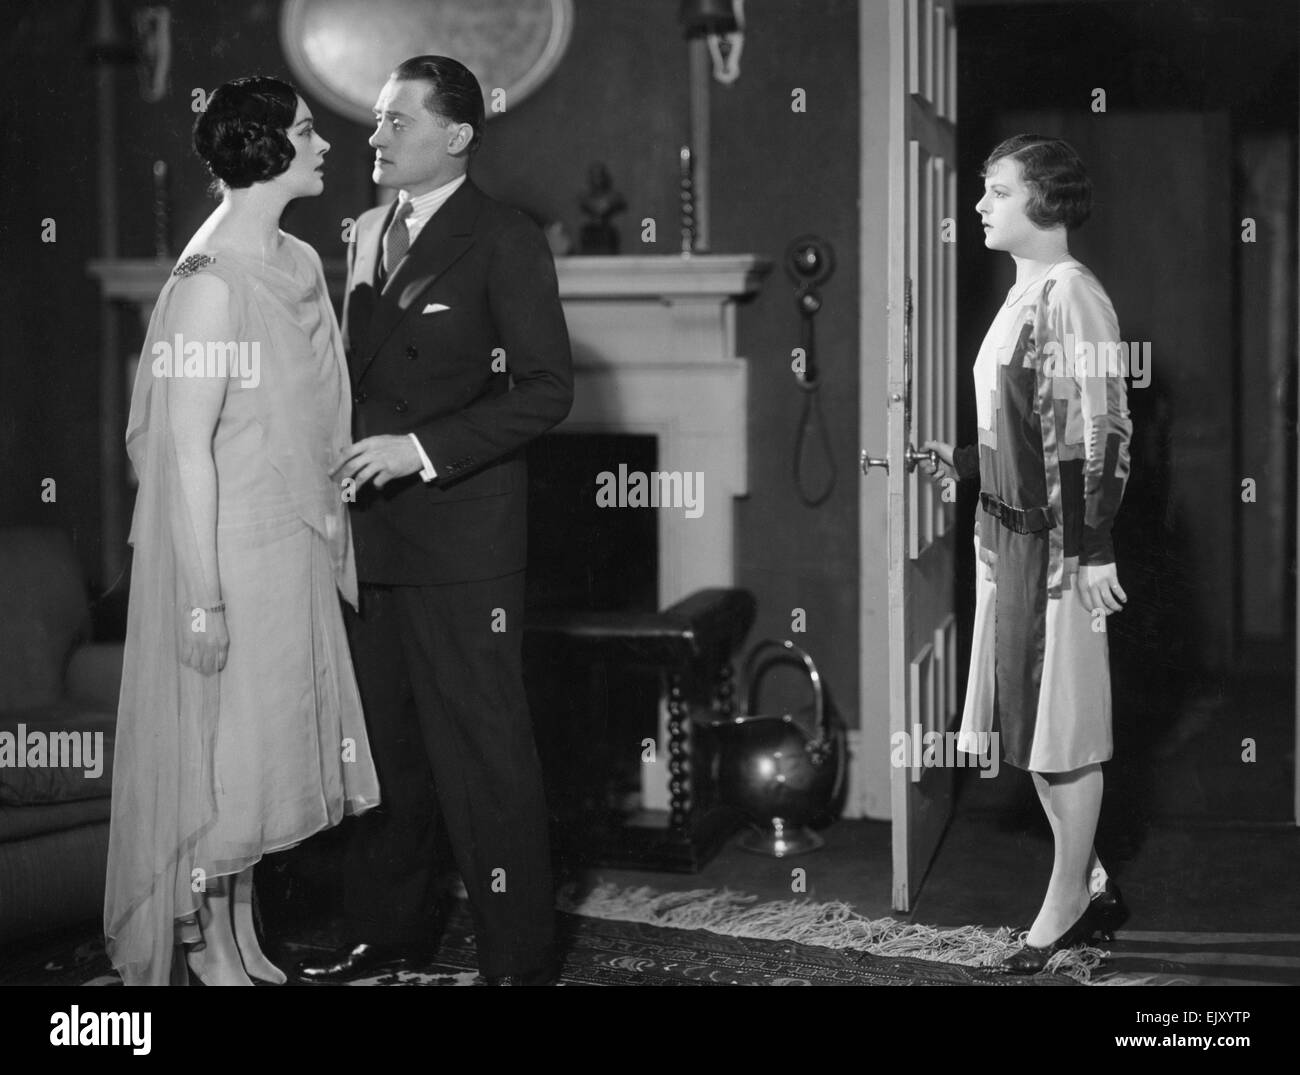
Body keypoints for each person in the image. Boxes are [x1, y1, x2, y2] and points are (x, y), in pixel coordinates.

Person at [296, 55, 573, 986]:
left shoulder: (505, 237)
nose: (374, 137)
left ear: (456, 135)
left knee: (483, 756)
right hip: (373, 537)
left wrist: (419, 448)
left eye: (394, 122)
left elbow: (545, 392)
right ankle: (387, 933)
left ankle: (518, 961)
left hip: (463, 538)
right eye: (374, 121)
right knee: (383, 751)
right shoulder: (366, 230)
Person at [104, 76, 380, 986]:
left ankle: (244, 935)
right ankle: (203, 944)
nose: (326, 143)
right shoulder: (210, 282)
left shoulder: (298, 262)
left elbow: (310, 412)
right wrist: (204, 597)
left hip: (291, 536)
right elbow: (183, 453)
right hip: (227, 547)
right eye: (307, 130)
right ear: (266, 148)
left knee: (264, 749)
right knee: (225, 754)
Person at [922, 135, 1132, 974]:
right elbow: (1028, 419)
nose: (981, 205)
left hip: (1060, 548)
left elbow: (1102, 424)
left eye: (997, 191)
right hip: (1006, 536)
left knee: (1064, 734)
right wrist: (967, 464)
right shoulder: (1021, 297)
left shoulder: (1075, 294)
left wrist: (1095, 546)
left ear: (1044, 203)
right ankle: (1090, 879)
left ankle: (1068, 900)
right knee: (1032, 726)